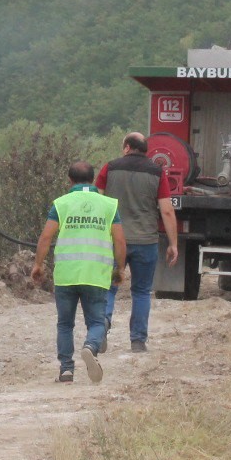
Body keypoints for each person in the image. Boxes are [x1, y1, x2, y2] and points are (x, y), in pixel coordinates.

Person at [31, 161, 126, 384]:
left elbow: (46, 237)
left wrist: (38, 264)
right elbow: (120, 240)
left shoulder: (62, 204)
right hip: (96, 274)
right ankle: (91, 347)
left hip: (66, 274)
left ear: (70, 180)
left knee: (65, 323)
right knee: (97, 321)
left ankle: (66, 370)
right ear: (93, 180)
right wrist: (119, 268)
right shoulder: (108, 205)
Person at [97, 132, 179, 352]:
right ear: (145, 150)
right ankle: (138, 341)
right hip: (146, 241)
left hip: (114, 241)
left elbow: (97, 201)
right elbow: (167, 211)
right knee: (141, 292)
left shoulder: (109, 168)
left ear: (126, 147)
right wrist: (173, 243)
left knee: (109, 287)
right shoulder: (156, 172)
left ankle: (101, 327)